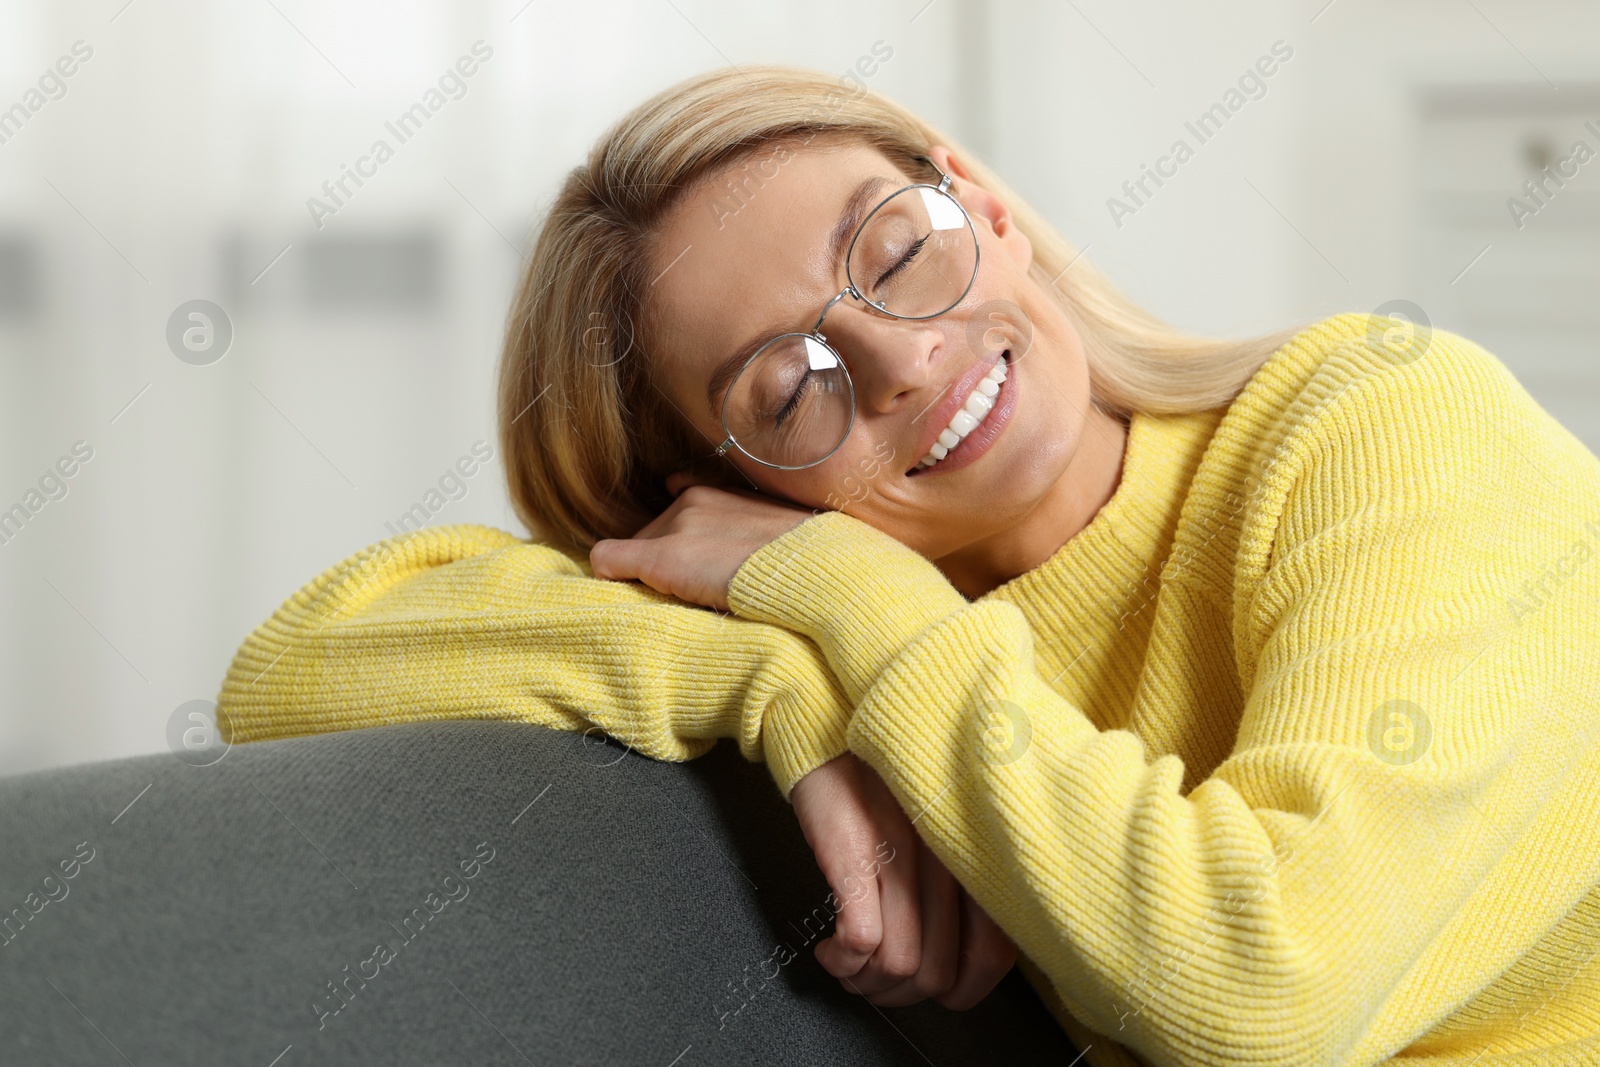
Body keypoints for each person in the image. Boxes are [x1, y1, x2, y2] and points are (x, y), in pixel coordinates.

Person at [217, 64, 1600, 1067]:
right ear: (731, 495)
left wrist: (844, 595)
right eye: (789, 387)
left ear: (984, 207)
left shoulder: (1380, 415)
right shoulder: (877, 651)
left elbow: (1262, 991)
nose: (902, 357)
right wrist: (773, 680)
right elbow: (297, 665)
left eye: (894, 249)